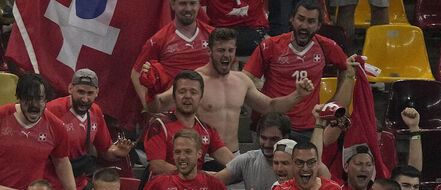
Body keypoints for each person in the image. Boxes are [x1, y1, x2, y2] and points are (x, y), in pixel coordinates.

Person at [149, 28, 312, 153]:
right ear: (209, 51)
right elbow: (158, 105)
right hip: (202, 158)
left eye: (230, 50)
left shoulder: (241, 81)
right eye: (221, 50)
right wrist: (150, 88)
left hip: (234, 156)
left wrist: (297, 96)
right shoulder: (194, 81)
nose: (226, 55)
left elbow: (270, 107)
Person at [244, 0, 350, 139]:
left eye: (311, 21)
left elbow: (347, 68)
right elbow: (244, 79)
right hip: (273, 126)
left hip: (308, 129)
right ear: (291, 19)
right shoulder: (270, 46)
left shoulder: (326, 46)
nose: (304, 26)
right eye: (300, 19)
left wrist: (334, 101)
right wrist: (261, 104)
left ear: (319, 25)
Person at [46, 69, 134, 190]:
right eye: (80, 92)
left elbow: (105, 150)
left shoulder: (95, 112)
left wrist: (117, 152)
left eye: (90, 93)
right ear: (70, 88)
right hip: (51, 188)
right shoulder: (51, 110)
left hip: (81, 185)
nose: (85, 99)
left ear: (97, 93)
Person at [135, 130, 238, 190]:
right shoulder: (159, 182)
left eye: (188, 152)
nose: (182, 157)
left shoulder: (213, 183)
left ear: (199, 153)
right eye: (177, 152)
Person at [143, 70, 234, 176]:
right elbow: (157, 166)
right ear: (174, 96)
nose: (187, 96)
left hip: (196, 189)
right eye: (182, 91)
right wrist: (201, 175)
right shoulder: (159, 126)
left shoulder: (207, 130)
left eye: (193, 92)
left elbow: (232, 162)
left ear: (201, 97)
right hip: (164, 189)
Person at [131, 0, 213, 106]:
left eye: (192, 3)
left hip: (207, 111)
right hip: (175, 113)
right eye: (183, 3)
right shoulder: (158, 40)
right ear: (173, 4)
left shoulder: (212, 36)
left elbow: (229, 67)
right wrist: (149, 107)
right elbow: (136, 73)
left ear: (199, 5)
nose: (188, 9)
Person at [214, 113, 292, 190]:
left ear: (286, 137)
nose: (267, 144)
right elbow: (213, 184)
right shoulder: (247, 160)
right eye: (263, 138)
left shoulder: (298, 163)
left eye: (274, 139)